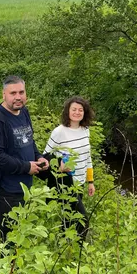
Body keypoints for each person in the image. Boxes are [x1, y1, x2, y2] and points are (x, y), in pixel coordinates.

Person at [0, 76, 49, 242]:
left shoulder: (23, 112)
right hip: (4, 190)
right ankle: (7, 268)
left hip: (23, 187)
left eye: (21, 92)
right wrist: (26, 167)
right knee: (11, 238)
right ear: (4, 94)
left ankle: (15, 267)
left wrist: (39, 156)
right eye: (13, 93)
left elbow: (28, 140)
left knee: (20, 235)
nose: (18, 97)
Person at [44, 96, 96, 240]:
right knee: (83, 221)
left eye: (80, 110)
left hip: (80, 183)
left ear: (85, 113)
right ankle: (78, 253)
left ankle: (62, 246)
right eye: (74, 109)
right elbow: (45, 156)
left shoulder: (85, 130)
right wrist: (58, 165)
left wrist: (90, 181)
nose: (77, 112)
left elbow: (88, 157)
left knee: (69, 218)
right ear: (68, 111)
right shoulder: (59, 131)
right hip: (65, 182)